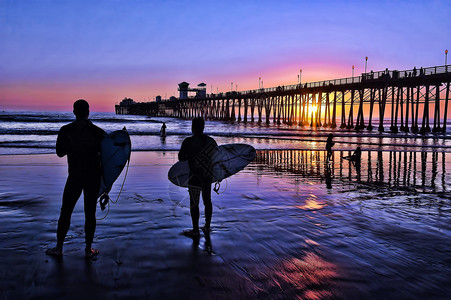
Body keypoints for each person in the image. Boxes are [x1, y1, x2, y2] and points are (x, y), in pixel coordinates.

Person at [46, 99, 105, 259]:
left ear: (74, 112)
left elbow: (59, 152)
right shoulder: (98, 132)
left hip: (75, 176)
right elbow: (108, 158)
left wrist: (72, 145)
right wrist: (107, 183)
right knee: (90, 213)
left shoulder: (66, 130)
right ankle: (88, 249)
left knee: (66, 211)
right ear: (88, 112)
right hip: (93, 177)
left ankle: (59, 248)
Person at [178, 117, 218, 237]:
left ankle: (195, 230)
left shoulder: (188, 142)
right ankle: (207, 226)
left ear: (192, 127)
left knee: (194, 203)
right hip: (207, 175)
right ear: (203, 126)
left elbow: (181, 158)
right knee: (207, 201)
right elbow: (217, 158)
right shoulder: (211, 141)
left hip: (194, 176)